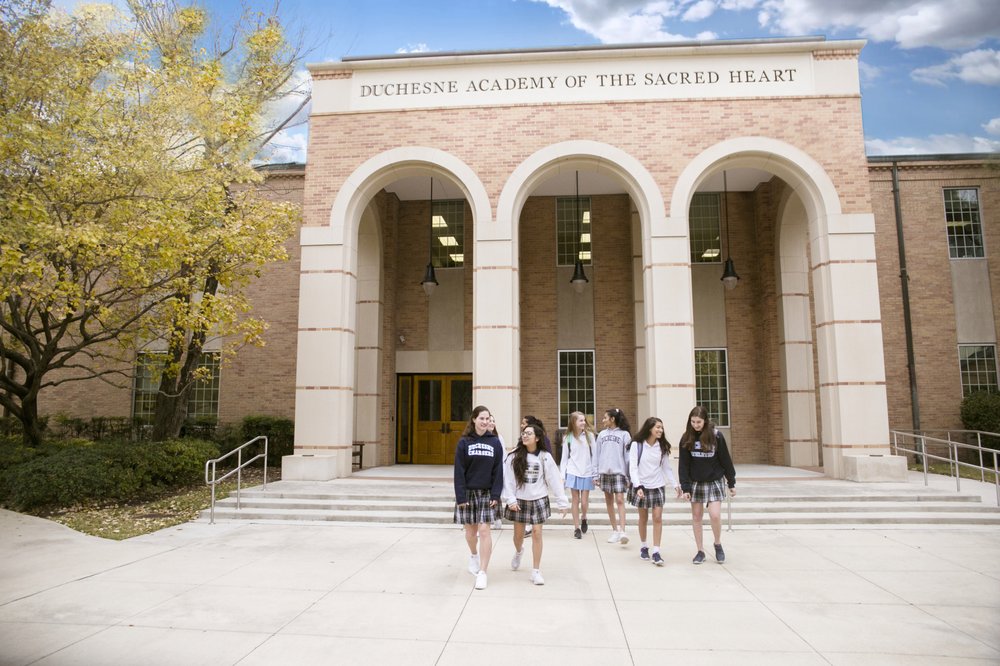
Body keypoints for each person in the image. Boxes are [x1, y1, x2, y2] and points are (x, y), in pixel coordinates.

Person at [502, 423, 569, 585]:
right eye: (523, 433)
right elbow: (508, 480)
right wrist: (510, 499)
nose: (524, 435)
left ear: (537, 438)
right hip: (519, 500)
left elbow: (553, 478)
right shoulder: (513, 456)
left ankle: (536, 571)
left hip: (539, 499)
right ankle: (519, 551)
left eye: (529, 433)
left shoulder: (545, 456)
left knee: (537, 533)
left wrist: (562, 501)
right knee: (518, 536)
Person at [678, 405, 736, 565]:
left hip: (714, 480)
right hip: (696, 482)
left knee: (715, 515)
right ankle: (700, 551)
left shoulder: (716, 436)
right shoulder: (686, 438)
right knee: (697, 517)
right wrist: (685, 487)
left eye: (698, 422)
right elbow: (684, 465)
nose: (695, 425)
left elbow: (726, 460)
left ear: (705, 421)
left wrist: (731, 482)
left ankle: (717, 544)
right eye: (693, 422)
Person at [454, 405, 503, 589]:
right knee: (470, 533)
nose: (485, 422)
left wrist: (496, 494)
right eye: (481, 418)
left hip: (487, 493)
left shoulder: (495, 442)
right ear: (474, 419)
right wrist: (460, 496)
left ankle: (483, 572)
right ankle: (473, 555)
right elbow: (458, 471)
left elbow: (499, 471)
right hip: (468, 493)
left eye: (487, 419)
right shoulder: (464, 442)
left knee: (484, 531)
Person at [628, 416, 681, 566]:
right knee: (643, 518)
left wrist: (675, 484)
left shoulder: (662, 446)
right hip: (642, 486)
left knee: (657, 518)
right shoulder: (636, 445)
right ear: (649, 428)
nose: (660, 430)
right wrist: (637, 486)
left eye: (662, 428)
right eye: (658, 427)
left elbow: (666, 468)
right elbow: (633, 467)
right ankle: (644, 546)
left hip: (657, 485)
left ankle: (656, 551)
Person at [594, 407, 631, 544]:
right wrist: (595, 474)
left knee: (620, 500)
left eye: (605, 418)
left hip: (619, 472)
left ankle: (622, 531)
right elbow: (597, 455)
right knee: (609, 501)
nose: (603, 420)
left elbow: (627, 457)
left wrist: (628, 475)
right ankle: (614, 531)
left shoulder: (625, 435)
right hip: (604, 472)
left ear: (612, 419)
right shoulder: (602, 435)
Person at [559, 411, 597, 539]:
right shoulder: (567, 438)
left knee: (584, 502)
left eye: (584, 420)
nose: (583, 422)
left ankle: (584, 517)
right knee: (575, 500)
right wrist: (562, 476)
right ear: (573, 422)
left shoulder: (590, 436)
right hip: (572, 471)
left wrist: (595, 473)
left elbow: (595, 455)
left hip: (587, 472)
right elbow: (564, 459)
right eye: (580, 420)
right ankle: (576, 528)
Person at [488, 414, 506, 530]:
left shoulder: (498, 437)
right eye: (490, 420)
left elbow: (504, 455)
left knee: (495, 495)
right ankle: (486, 521)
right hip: (485, 472)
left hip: (496, 471)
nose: (492, 423)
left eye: (493, 421)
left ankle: (497, 520)